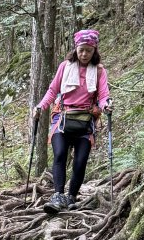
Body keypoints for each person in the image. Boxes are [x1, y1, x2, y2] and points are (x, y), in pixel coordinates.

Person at [32, 28, 112, 213]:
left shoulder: (99, 71)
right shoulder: (65, 66)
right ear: (76, 48)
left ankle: (71, 197)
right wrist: (40, 107)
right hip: (63, 117)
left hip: (85, 121)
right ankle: (58, 195)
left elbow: (103, 95)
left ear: (94, 51)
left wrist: (106, 105)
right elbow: (53, 90)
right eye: (81, 49)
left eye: (88, 50)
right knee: (59, 154)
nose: (84, 54)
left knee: (81, 160)